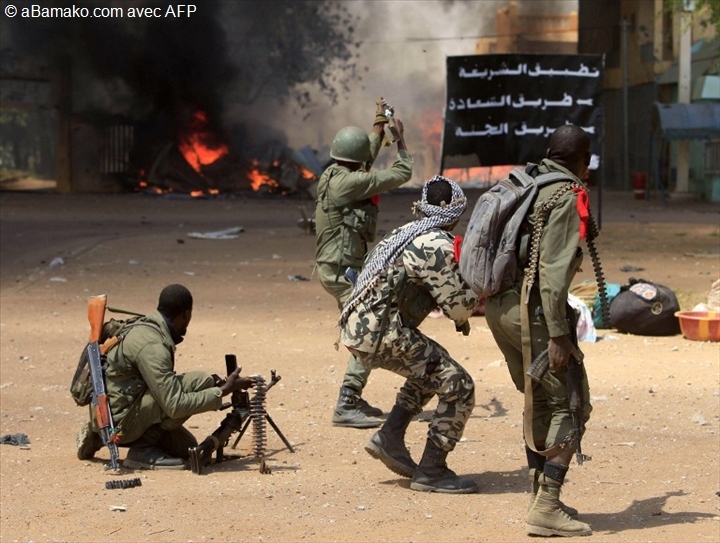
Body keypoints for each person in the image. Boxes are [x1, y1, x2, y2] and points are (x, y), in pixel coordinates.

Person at [484, 125, 595, 536]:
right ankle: (546, 505)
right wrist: (559, 334)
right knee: (571, 401)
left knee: (539, 400)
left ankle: (539, 495)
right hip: (533, 315)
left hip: (500, 309)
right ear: (583, 159)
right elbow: (552, 273)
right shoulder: (564, 195)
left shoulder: (528, 180)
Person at [340, 175, 478, 493]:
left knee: (432, 365)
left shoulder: (407, 233)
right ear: (457, 213)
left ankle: (390, 437)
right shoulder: (435, 244)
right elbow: (459, 309)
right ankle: (432, 470)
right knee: (460, 386)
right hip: (379, 334)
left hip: (362, 328)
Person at [76, 284, 256, 470]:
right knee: (199, 382)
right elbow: (174, 405)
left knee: (186, 447)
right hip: (119, 423)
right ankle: (142, 452)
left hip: (110, 413)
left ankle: (96, 435)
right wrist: (223, 391)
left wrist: (217, 384)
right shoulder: (153, 346)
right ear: (186, 314)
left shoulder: (144, 326)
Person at [315, 98, 413, 428]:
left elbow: (363, 156)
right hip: (342, 272)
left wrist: (377, 127)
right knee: (369, 330)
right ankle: (346, 403)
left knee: (369, 327)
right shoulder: (353, 183)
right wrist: (399, 139)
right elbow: (403, 172)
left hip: (338, 267)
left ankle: (352, 397)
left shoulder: (334, 173)